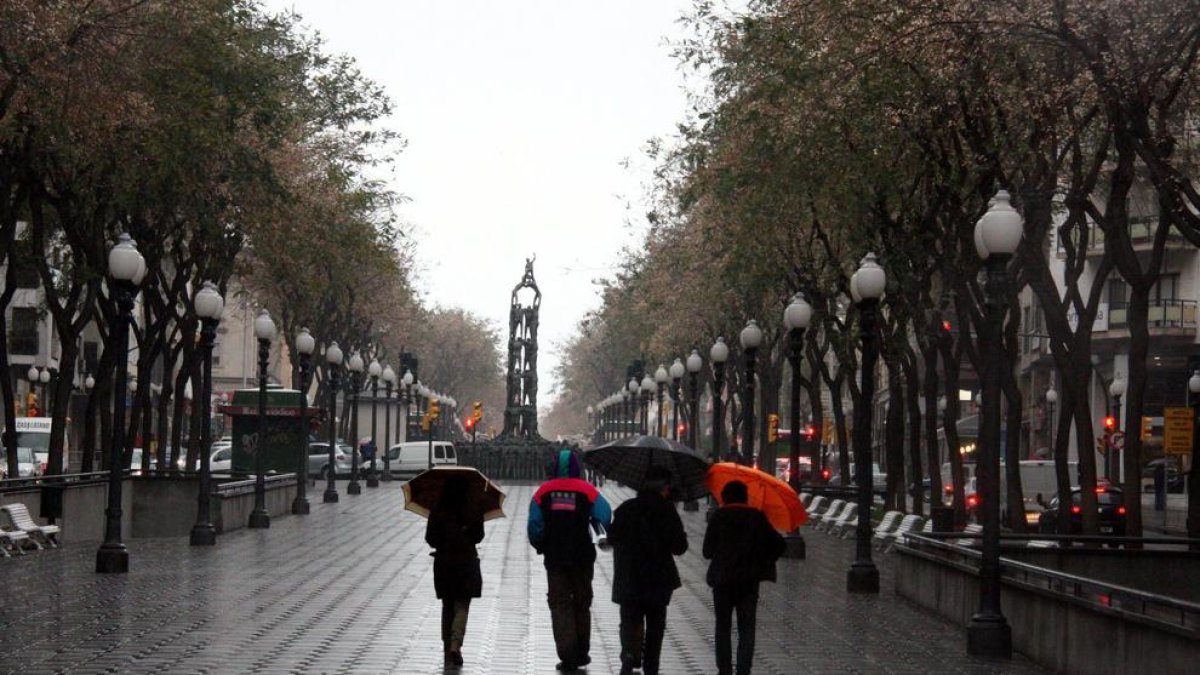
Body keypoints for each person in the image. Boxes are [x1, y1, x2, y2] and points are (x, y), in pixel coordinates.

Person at [528, 449, 613, 672]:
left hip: (555, 557)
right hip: (582, 556)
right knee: (582, 602)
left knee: (559, 603)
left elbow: (534, 525)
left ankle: (567, 654)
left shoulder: (543, 492)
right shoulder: (587, 490)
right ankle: (582, 651)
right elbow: (604, 515)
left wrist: (541, 543)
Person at [605, 466, 688, 675]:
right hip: (658, 578)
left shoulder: (626, 508)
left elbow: (612, 537)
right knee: (655, 626)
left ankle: (629, 654)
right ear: (664, 487)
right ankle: (651, 666)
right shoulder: (667, 510)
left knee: (630, 620)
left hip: (629, 576)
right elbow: (680, 547)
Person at [702, 480, 786, 675]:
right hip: (748, 581)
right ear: (745, 497)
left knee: (722, 626)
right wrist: (764, 560)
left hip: (722, 581)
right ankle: (743, 669)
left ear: (725, 497)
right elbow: (779, 544)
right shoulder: (756, 517)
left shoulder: (719, 516)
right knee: (747, 627)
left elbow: (707, 551)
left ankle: (724, 668)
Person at [425, 473, 485, 669]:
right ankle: (455, 645)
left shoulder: (438, 509)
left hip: (444, 562)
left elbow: (430, 538)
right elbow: (478, 536)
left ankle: (446, 646)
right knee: (462, 604)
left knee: (447, 604)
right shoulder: (473, 508)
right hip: (466, 561)